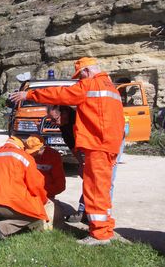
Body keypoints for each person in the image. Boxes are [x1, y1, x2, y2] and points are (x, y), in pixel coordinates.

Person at [10, 57, 124, 246]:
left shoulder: (90, 86)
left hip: (97, 145)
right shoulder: (111, 88)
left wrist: (29, 95)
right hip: (109, 145)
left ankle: (100, 235)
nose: (80, 80)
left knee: (95, 190)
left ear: (86, 72)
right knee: (102, 189)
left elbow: (60, 94)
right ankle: (105, 228)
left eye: (80, 76)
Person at [0, 136, 49, 240]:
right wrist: (43, 200)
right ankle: (2, 229)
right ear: (21, 146)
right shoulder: (24, 157)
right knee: (35, 213)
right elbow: (36, 185)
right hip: (4, 203)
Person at [24, 134, 66, 199]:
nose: (32, 155)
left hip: (47, 195)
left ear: (42, 148)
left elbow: (60, 185)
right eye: (30, 152)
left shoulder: (53, 156)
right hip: (28, 195)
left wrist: (43, 193)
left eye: (35, 152)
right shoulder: (25, 155)